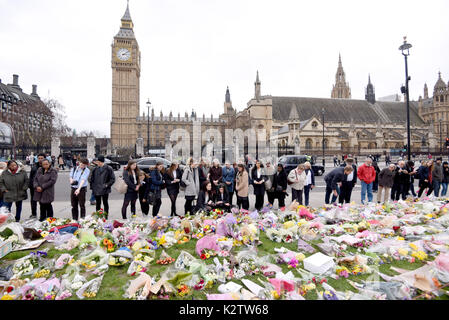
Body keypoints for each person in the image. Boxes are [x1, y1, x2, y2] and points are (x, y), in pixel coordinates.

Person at [28, 153, 45, 219]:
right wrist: (30, 185)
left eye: (42, 158)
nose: (40, 160)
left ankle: (42, 215)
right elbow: (31, 177)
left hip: (42, 188)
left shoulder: (46, 166)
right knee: (33, 201)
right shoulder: (34, 166)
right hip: (33, 187)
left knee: (42, 202)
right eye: (39, 158)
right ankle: (33, 214)